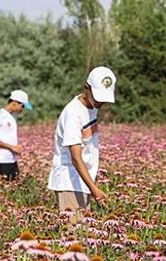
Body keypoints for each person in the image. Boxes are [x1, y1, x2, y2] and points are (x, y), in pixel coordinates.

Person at [48, 66, 116, 212]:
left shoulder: (92, 108)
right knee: (74, 230)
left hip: (82, 181)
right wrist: (94, 189)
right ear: (87, 88)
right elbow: (76, 158)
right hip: (69, 181)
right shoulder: (73, 113)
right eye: (98, 98)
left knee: (82, 230)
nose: (101, 103)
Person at [0, 90, 32, 180]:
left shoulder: (11, 117)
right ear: (15, 102)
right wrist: (12, 147)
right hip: (0, 162)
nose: (23, 109)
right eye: (22, 106)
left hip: (11, 161)